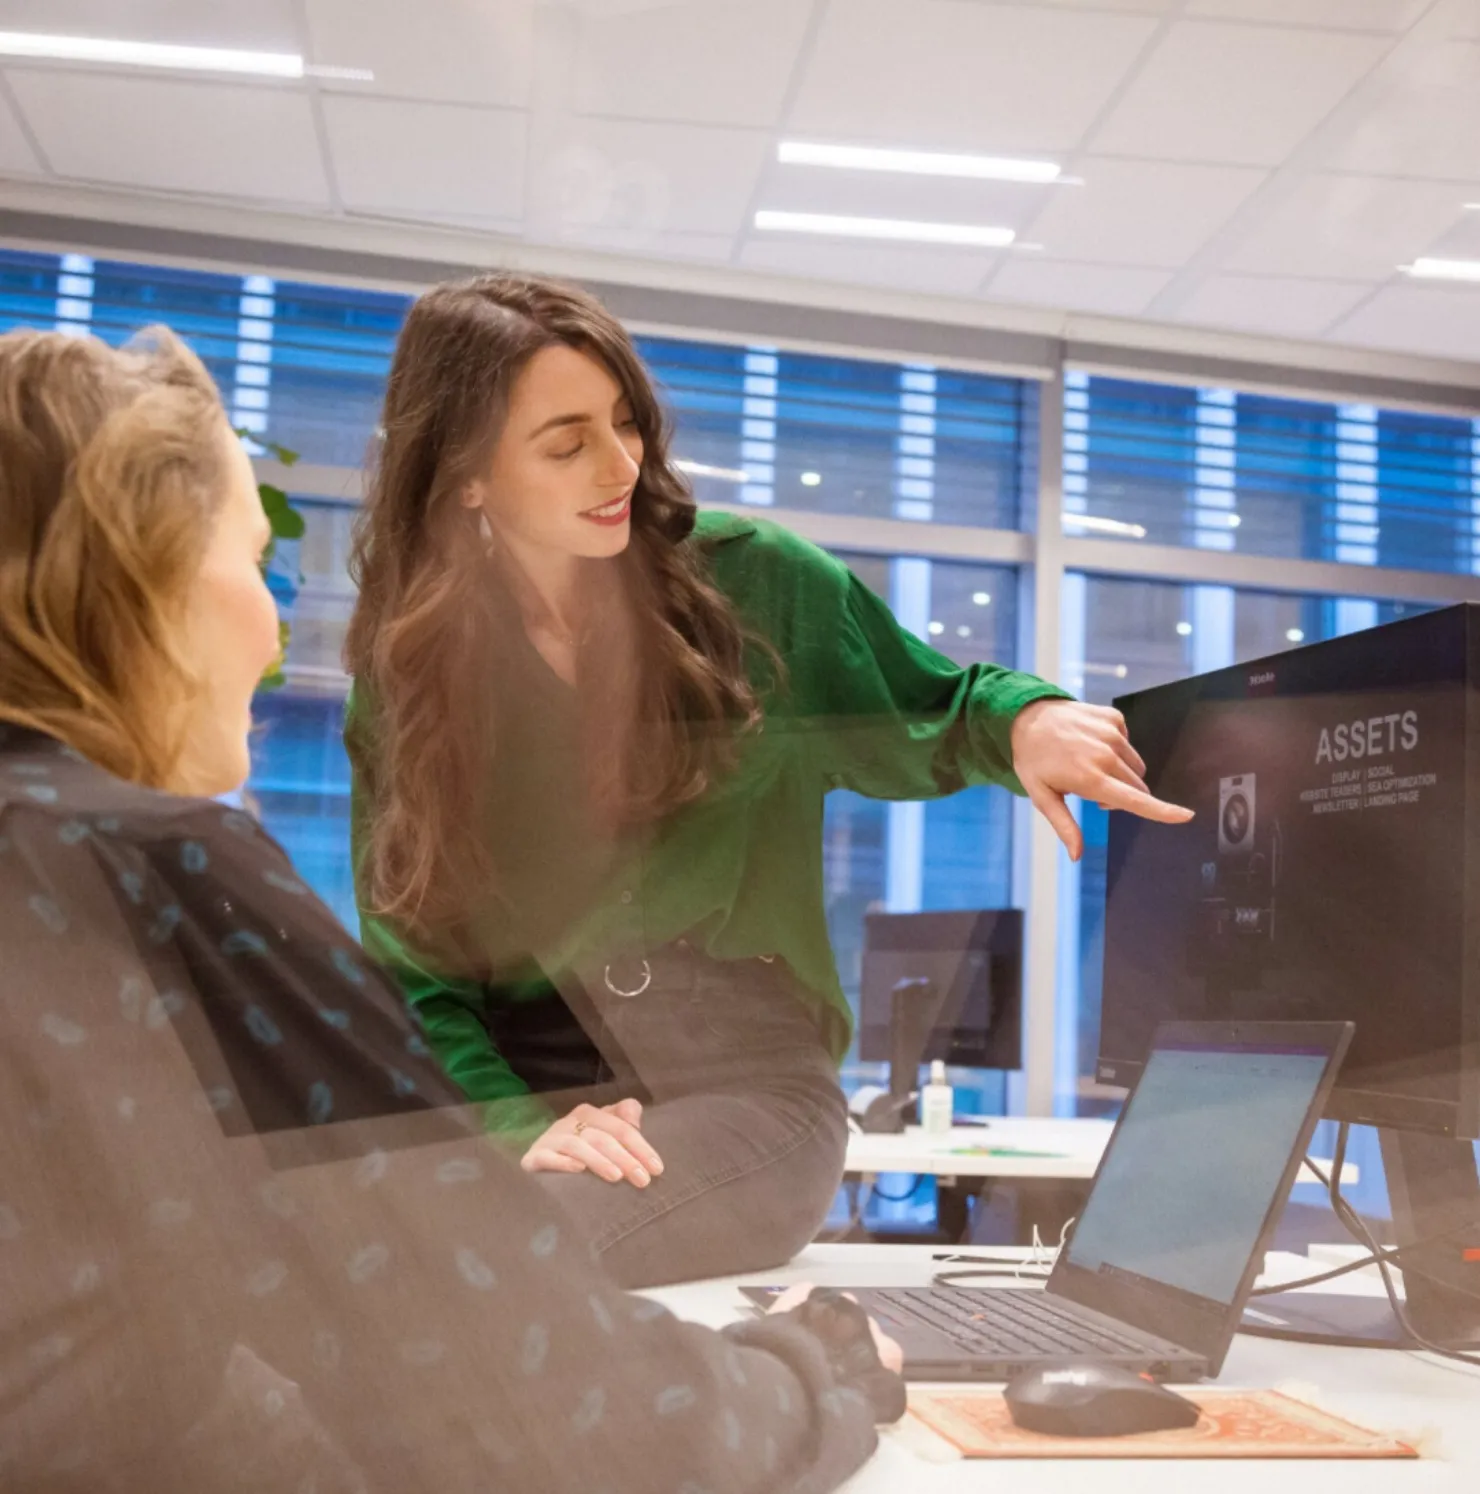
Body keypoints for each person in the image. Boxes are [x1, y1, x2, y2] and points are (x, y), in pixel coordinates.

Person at [0, 324, 906, 1493]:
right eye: (253, 561)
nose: (275, 629)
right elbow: (533, 1402)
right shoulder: (146, 870)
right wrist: (813, 1366)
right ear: (142, 580)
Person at [344, 273, 1193, 1289]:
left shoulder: (753, 582)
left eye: (626, 423)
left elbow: (935, 703)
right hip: (535, 1091)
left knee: (508, 1260)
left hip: (743, 1084)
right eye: (565, 444)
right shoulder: (412, 681)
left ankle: (796, 1400)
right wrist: (518, 1124)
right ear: (465, 476)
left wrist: (1028, 720)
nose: (620, 465)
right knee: (351, 1246)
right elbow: (417, 967)